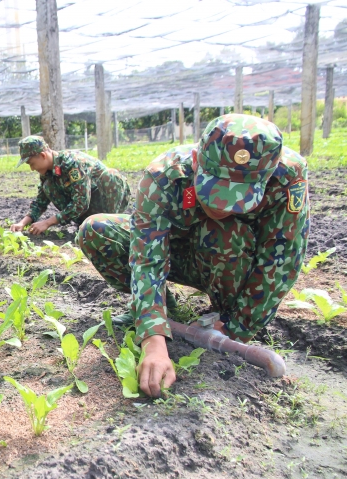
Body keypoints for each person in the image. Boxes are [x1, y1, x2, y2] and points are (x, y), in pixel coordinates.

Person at [78, 114, 309, 397]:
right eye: (215, 190)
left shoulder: (287, 175)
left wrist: (239, 327)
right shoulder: (165, 175)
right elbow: (147, 257)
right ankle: (166, 310)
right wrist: (153, 337)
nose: (224, 206)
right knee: (96, 229)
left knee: (226, 228)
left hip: (231, 260)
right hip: (178, 255)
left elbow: (282, 257)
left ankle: (226, 316)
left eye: (239, 197)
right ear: (197, 162)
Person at [9, 135, 130, 240]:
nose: (32, 168)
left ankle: (111, 226)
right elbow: (40, 202)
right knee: (48, 186)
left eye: (31, 163)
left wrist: (47, 222)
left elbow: (81, 202)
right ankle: (86, 225)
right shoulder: (46, 173)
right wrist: (22, 223)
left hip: (104, 203)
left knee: (110, 175)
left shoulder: (72, 163)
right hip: (88, 211)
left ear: (42, 155)